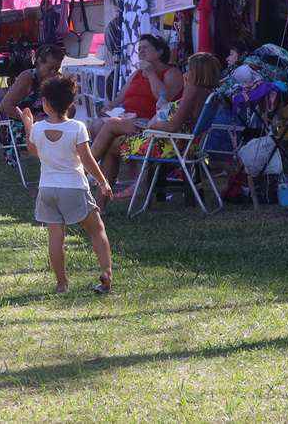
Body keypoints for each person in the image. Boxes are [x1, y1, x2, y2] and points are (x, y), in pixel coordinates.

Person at [17, 75, 113, 294]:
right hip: (74, 188)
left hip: (47, 190)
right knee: (97, 230)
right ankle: (106, 273)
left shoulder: (38, 128)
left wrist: (27, 124)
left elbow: (34, 151)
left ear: (45, 103)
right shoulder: (77, 127)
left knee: (55, 238)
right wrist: (102, 182)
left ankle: (61, 284)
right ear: (71, 104)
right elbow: (87, 159)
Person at [113, 52, 224, 196]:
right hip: (190, 146)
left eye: (189, 69)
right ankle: (107, 190)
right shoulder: (208, 93)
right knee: (112, 131)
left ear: (197, 72)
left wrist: (151, 127)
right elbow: (186, 118)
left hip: (171, 146)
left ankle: (101, 194)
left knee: (113, 144)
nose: (186, 72)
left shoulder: (193, 90)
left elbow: (172, 126)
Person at [89, 34, 183, 176]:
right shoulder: (137, 74)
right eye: (139, 49)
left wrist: (151, 74)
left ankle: (88, 170)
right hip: (127, 118)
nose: (141, 52)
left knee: (109, 127)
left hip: (149, 123)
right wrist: (109, 107)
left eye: (145, 48)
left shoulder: (171, 73)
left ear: (160, 52)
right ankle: (108, 173)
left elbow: (163, 100)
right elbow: (120, 98)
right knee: (96, 124)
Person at [0, 44, 65, 120]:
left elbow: (69, 110)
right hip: (24, 125)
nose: (53, 72)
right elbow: (5, 107)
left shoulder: (57, 79)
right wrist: (33, 119)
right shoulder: (28, 78)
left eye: (57, 69)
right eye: (50, 68)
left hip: (48, 125)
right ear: (39, 62)